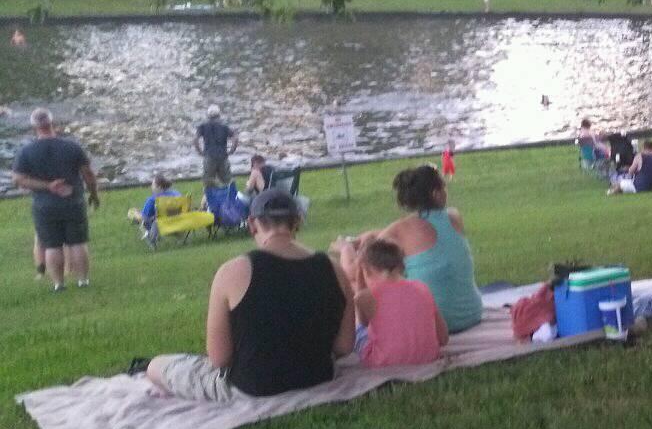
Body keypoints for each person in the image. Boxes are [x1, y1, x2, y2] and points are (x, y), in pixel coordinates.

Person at [144, 188, 353, 401]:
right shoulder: (334, 269)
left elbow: (219, 358)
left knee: (155, 366)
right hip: (319, 377)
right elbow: (345, 346)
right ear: (297, 221)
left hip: (251, 387)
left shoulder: (232, 272)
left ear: (252, 224)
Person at [335, 164, 484, 333]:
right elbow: (424, 229)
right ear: (436, 193)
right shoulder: (454, 217)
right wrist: (369, 235)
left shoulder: (400, 230)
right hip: (472, 314)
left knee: (357, 282)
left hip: (431, 323)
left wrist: (345, 247)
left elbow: (352, 269)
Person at [12, 108, 99, 291]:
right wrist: (93, 194)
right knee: (77, 242)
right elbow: (88, 175)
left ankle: (59, 284)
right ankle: (83, 280)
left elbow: (18, 179)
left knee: (52, 245)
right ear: (53, 124)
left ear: (34, 127)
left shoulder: (26, 152)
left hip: (44, 205)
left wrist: (47, 186)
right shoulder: (72, 147)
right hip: (73, 201)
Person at [352, 238, 448, 367]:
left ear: (366, 271)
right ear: (401, 266)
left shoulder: (366, 297)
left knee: (359, 330)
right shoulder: (422, 288)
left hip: (384, 362)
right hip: (428, 357)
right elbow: (443, 337)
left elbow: (364, 323)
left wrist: (360, 284)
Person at [194, 105, 236, 187]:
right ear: (219, 114)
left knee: (208, 180)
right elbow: (235, 138)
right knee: (227, 180)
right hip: (223, 155)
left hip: (209, 155)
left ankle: (211, 197)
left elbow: (195, 139)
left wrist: (199, 151)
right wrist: (231, 150)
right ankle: (231, 197)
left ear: (208, 115)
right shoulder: (224, 126)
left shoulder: (203, 126)